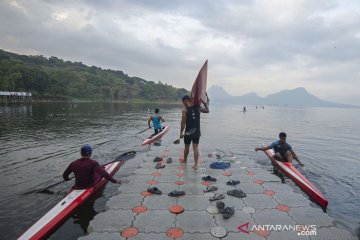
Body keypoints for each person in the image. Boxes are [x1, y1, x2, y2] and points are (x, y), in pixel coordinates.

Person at [180, 95, 209, 170]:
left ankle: (185, 160)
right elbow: (207, 111)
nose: (184, 104)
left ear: (186, 101)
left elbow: (183, 121)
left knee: (186, 147)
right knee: (195, 148)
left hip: (188, 133)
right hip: (197, 132)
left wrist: (181, 133)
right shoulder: (198, 107)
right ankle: (195, 165)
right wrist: (205, 103)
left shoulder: (185, 109)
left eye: (183, 102)